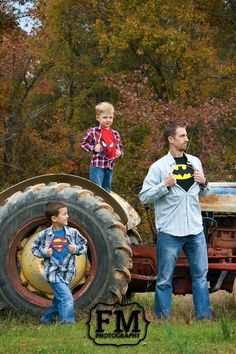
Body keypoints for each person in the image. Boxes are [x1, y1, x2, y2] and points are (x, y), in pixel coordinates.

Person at [139, 122, 212, 320]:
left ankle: (204, 317)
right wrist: (164, 185)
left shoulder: (195, 162)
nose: (186, 139)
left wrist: (204, 182)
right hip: (170, 231)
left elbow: (204, 192)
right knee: (164, 279)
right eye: (182, 136)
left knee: (200, 277)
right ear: (171, 140)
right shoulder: (159, 167)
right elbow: (144, 197)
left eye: (186, 136)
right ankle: (162, 319)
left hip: (195, 230)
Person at [32, 201, 87, 324]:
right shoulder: (44, 235)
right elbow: (34, 248)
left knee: (58, 299)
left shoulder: (73, 233)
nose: (67, 216)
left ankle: (47, 319)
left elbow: (84, 246)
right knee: (67, 298)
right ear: (54, 218)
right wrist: (44, 252)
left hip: (67, 273)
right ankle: (67, 324)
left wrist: (76, 249)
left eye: (67, 213)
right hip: (53, 274)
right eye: (64, 214)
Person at [80, 101, 123, 192]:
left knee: (106, 191)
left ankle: (105, 206)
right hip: (97, 166)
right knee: (97, 191)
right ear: (98, 118)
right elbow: (83, 143)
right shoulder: (94, 132)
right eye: (105, 117)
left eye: (110, 117)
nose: (108, 120)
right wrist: (93, 148)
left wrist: (119, 153)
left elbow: (119, 147)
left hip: (110, 166)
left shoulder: (115, 134)